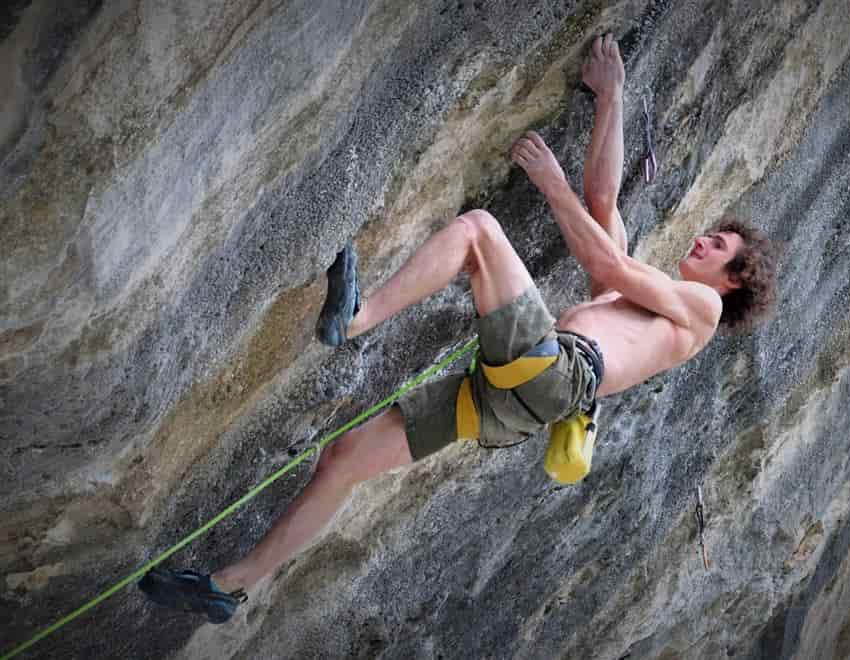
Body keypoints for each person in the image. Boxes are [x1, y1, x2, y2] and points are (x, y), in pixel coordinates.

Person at [139, 34, 776, 623]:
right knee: (343, 460)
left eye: (719, 243)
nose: (704, 238)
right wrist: (612, 94)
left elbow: (601, 256)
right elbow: (603, 205)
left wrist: (548, 183)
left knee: (479, 231)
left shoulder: (703, 310)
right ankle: (229, 585)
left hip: (555, 373)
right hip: (513, 402)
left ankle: (356, 318)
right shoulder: (651, 303)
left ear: (734, 279)